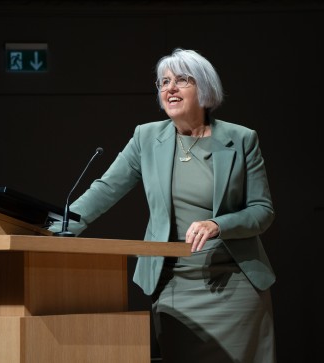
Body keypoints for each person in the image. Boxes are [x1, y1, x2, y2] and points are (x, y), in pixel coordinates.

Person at [56, 48, 276, 363]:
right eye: (163, 82)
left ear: (205, 88)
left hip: (234, 285)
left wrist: (218, 225)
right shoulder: (146, 138)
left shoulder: (241, 139)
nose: (169, 88)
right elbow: (104, 190)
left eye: (181, 80)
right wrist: (54, 228)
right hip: (174, 284)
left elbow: (262, 211)